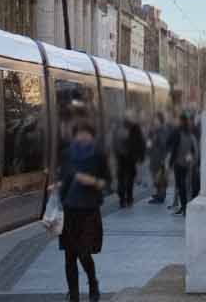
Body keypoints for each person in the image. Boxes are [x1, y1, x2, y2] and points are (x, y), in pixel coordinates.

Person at [58, 117, 111, 302]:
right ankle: (73, 295)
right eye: (79, 134)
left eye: (86, 134)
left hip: (89, 211)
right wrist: (56, 188)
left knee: (84, 253)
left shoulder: (99, 155)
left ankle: (93, 283)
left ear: (92, 136)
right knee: (69, 257)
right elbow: (64, 179)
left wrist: (94, 181)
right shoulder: (67, 154)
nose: (82, 138)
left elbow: (107, 182)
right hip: (69, 210)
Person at [169, 113, 200, 217]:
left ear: (181, 121)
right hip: (187, 164)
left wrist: (170, 163)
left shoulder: (178, 133)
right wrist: (193, 161)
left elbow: (174, 149)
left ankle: (184, 207)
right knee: (185, 186)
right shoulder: (190, 134)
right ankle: (184, 207)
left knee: (181, 186)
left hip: (179, 164)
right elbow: (194, 150)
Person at [113, 116, 146, 209]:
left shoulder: (118, 132)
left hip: (122, 159)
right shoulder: (134, 130)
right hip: (130, 159)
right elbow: (141, 143)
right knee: (129, 180)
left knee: (122, 180)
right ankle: (129, 199)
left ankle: (123, 200)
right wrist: (140, 157)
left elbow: (115, 146)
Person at [148, 114, 169, 205]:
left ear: (160, 121)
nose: (154, 121)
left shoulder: (162, 131)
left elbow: (163, 145)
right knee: (156, 177)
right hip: (154, 158)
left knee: (160, 178)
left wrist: (163, 159)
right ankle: (158, 194)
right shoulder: (155, 131)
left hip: (159, 158)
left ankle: (161, 197)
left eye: (156, 120)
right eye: (154, 120)